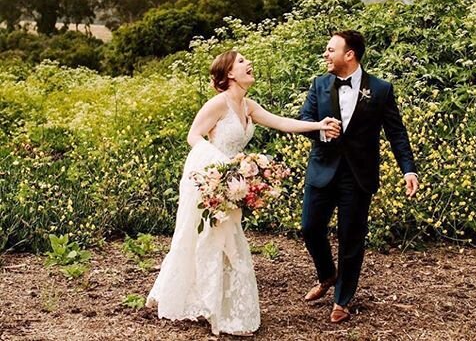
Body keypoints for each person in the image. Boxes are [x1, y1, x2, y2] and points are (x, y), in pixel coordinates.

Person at [146, 50, 341, 336]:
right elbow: (194, 136)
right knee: (204, 237)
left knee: (225, 239)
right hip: (210, 178)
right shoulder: (217, 104)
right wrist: (221, 167)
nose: (248, 64)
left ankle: (216, 303)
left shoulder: (248, 106)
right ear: (229, 74)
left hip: (232, 183)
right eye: (241, 61)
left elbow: (282, 122)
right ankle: (205, 303)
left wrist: (319, 125)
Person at [299, 30, 418, 323]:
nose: (325, 55)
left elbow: (396, 132)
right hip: (322, 170)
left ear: (349, 54)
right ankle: (327, 274)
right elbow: (303, 120)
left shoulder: (381, 89)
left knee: (351, 238)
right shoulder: (319, 84)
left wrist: (408, 169)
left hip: (358, 175)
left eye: (330, 50)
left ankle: (342, 299)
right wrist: (320, 130)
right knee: (310, 228)